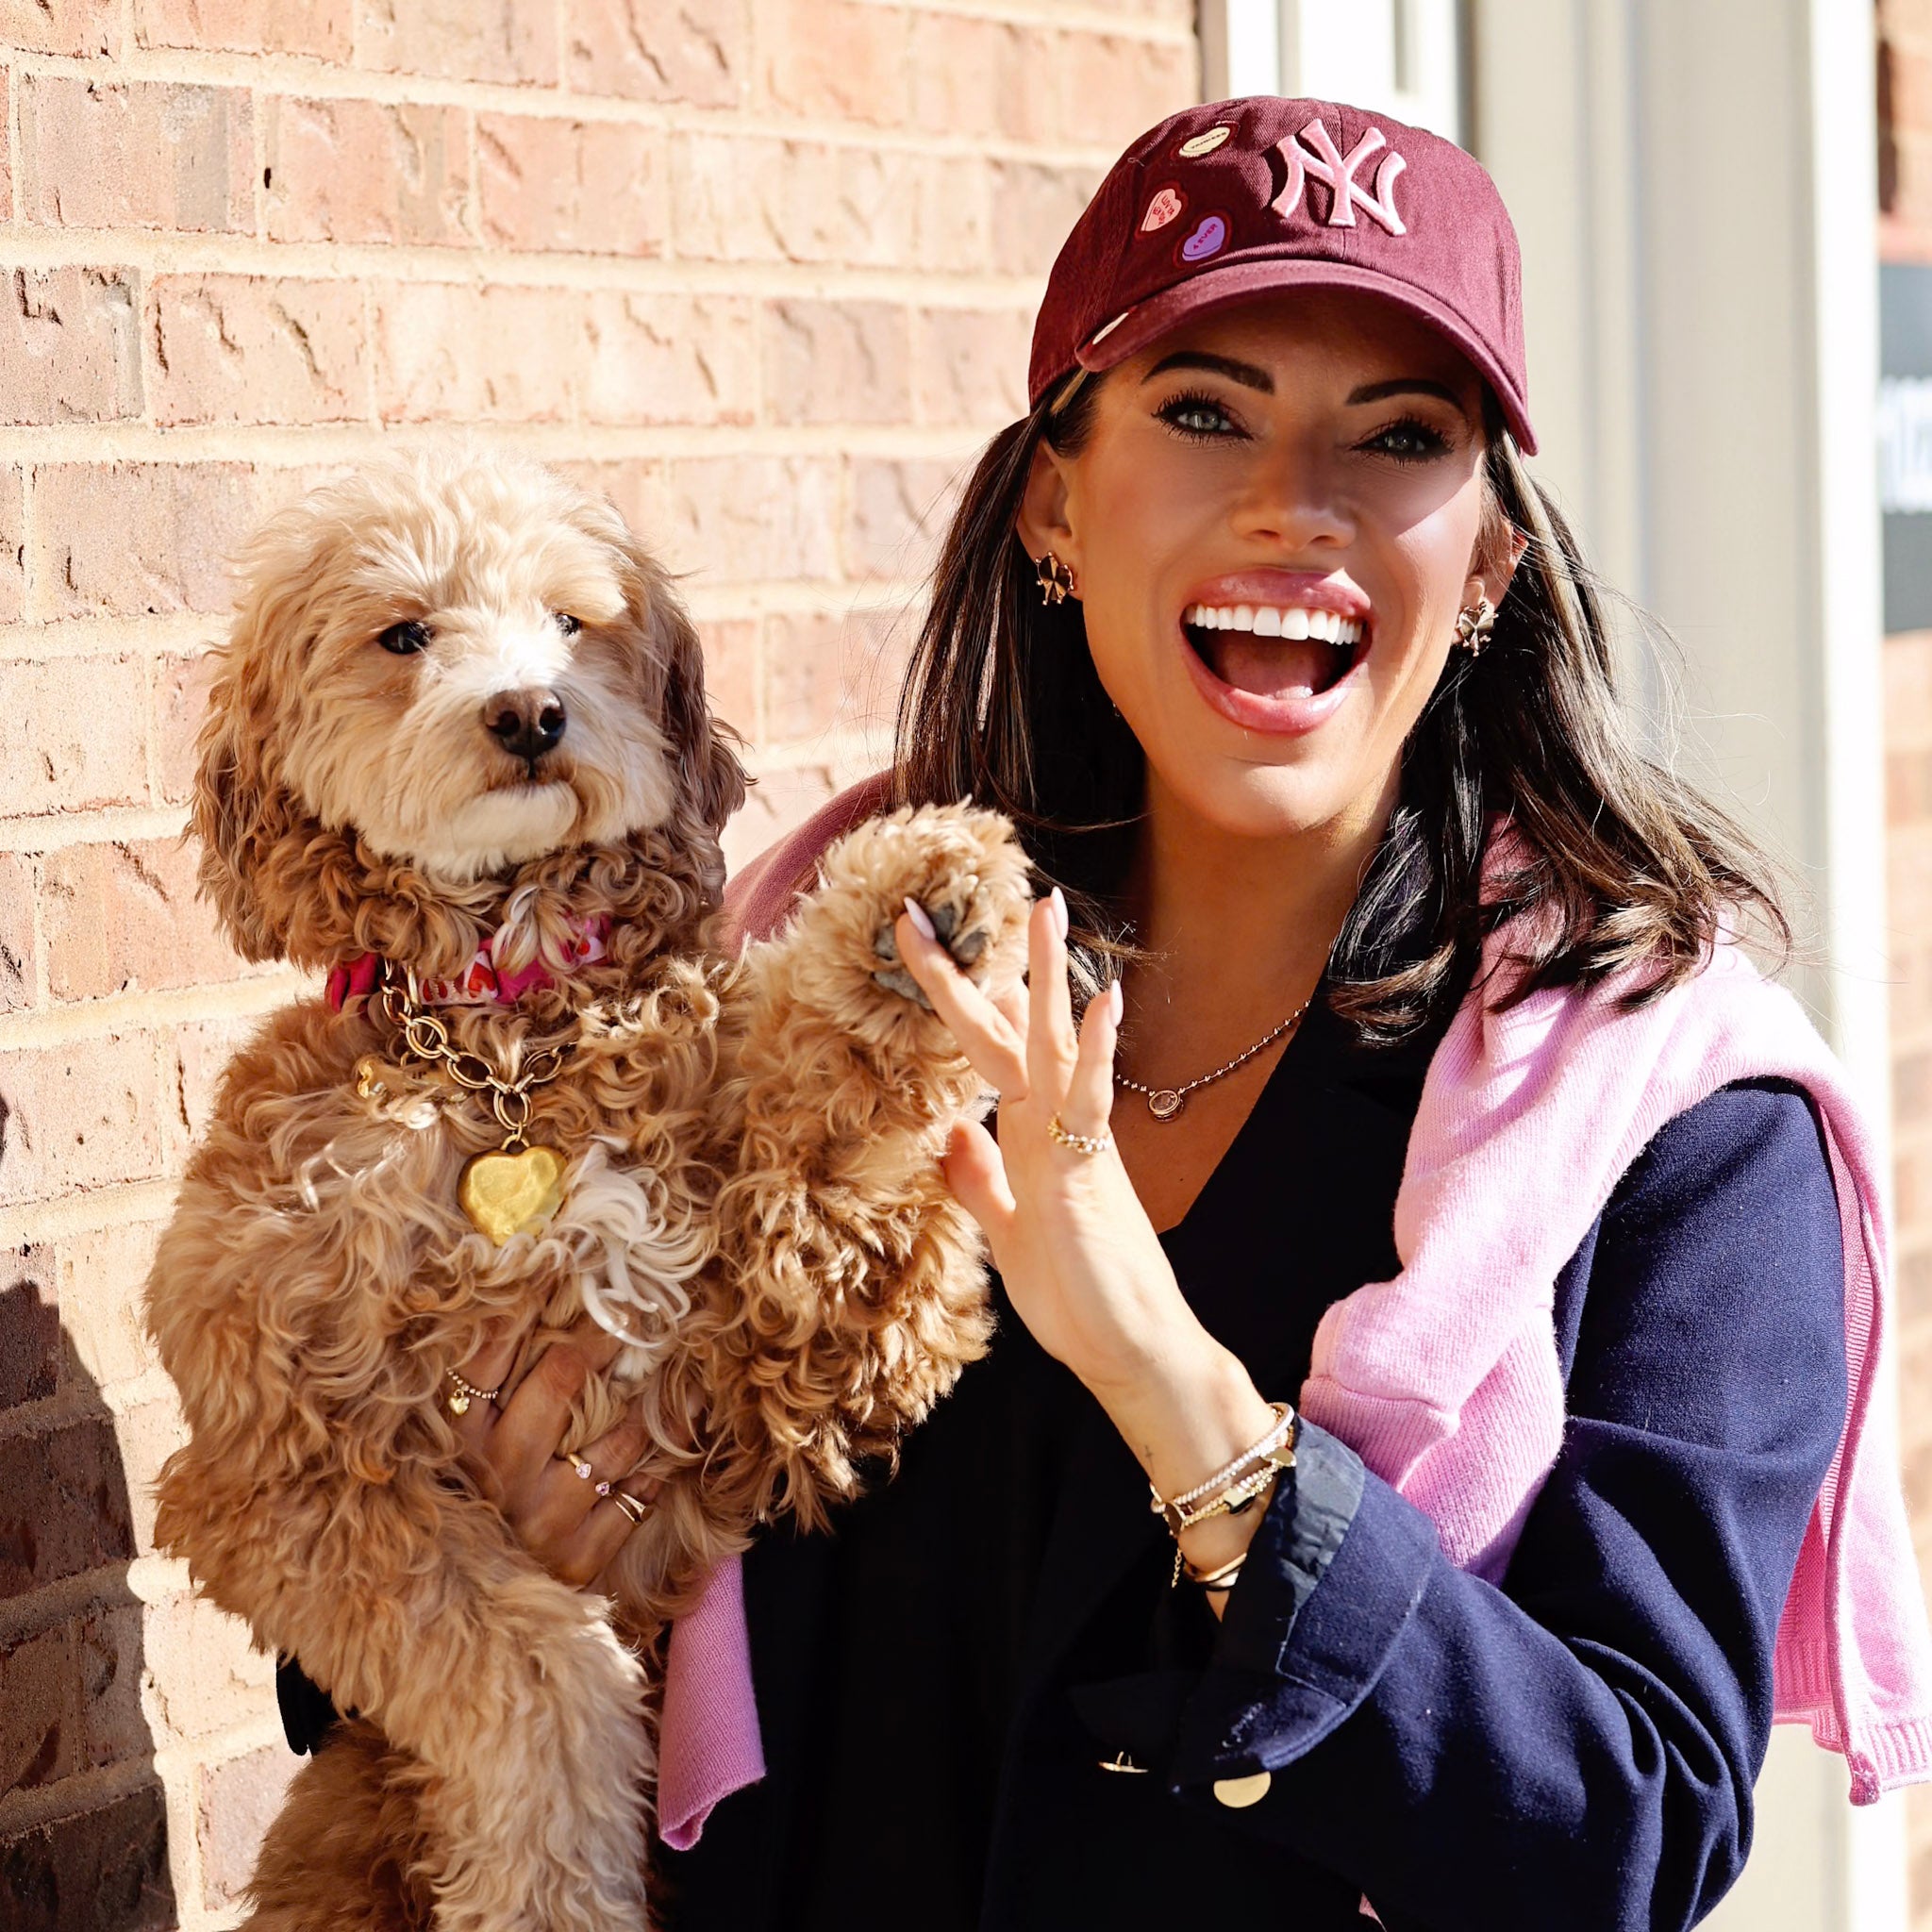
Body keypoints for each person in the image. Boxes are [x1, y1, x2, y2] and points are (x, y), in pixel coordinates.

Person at [284, 98, 1932, 1929]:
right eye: (1205, 410)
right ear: (1055, 505)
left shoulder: (1676, 1118)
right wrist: (514, 1520)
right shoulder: (831, 974)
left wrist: (1169, 1382)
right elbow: (387, 1553)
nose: (1294, 502)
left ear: (1486, 562)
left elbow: (1623, 1838)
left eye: (1400, 436)